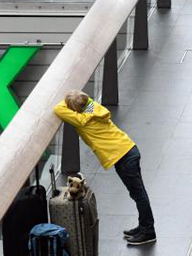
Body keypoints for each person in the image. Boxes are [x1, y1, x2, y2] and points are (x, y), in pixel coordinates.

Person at [54, 91, 155, 245]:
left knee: (139, 194)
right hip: (128, 150)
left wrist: (69, 102)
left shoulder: (81, 120)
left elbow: (58, 109)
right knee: (137, 193)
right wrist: (75, 98)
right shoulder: (93, 107)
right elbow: (80, 102)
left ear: (75, 110)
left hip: (123, 156)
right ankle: (143, 227)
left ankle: (148, 231)